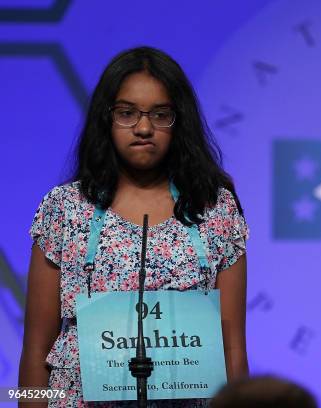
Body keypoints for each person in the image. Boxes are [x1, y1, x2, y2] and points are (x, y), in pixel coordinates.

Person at [18, 46, 249, 407]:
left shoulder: (215, 209)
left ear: (180, 121)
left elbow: (232, 347)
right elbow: (35, 349)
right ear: (106, 119)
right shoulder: (65, 209)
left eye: (160, 114)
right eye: (127, 113)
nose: (143, 127)